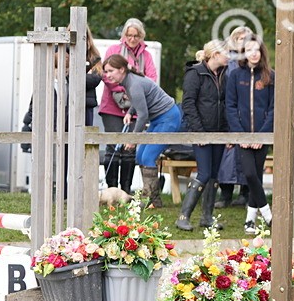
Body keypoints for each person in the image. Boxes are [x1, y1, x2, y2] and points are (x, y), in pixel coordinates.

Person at [101, 52, 182, 208]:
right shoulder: (129, 81)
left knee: (148, 157)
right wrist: (130, 113)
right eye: (106, 71)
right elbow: (139, 103)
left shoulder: (133, 84)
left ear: (122, 70)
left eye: (111, 71)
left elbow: (143, 115)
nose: (107, 75)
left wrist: (133, 139)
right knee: (140, 155)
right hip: (158, 119)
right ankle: (154, 200)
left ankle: (148, 199)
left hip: (168, 118)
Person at [98, 18, 157, 193]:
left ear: (141, 36)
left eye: (136, 36)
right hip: (112, 107)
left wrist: (134, 90)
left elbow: (152, 79)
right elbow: (105, 75)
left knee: (129, 148)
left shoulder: (146, 56)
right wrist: (124, 89)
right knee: (113, 147)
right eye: (129, 35)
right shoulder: (114, 50)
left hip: (136, 105)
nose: (132, 39)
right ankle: (111, 189)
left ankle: (125, 190)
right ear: (124, 35)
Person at [175, 41, 229, 232]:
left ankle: (207, 217)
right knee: (204, 173)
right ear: (214, 54)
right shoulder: (195, 73)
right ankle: (183, 216)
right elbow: (188, 104)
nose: (229, 56)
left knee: (214, 174)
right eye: (225, 53)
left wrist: (227, 132)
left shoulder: (223, 74)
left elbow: (225, 104)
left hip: (219, 133)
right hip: (201, 132)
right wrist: (199, 132)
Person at [226, 34, 275, 235]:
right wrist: (241, 135)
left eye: (256, 49)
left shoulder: (270, 75)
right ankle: (268, 215)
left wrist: (261, 135)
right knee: (249, 174)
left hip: (263, 136)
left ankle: (249, 221)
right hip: (243, 136)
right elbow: (230, 106)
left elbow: (274, 109)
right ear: (244, 53)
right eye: (249, 50)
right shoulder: (236, 76)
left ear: (261, 52)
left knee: (256, 175)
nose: (253, 53)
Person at [216, 25, 253, 209]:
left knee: (247, 154)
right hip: (229, 110)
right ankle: (225, 194)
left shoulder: (254, 60)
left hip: (249, 112)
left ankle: (245, 194)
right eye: (239, 38)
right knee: (228, 156)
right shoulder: (226, 61)